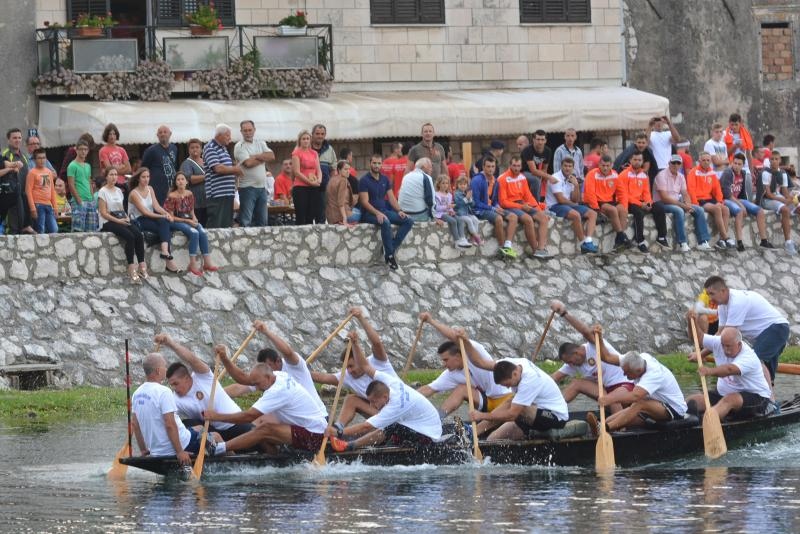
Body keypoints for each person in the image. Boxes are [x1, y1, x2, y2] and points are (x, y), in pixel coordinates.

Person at [204, 345, 340, 455]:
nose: (256, 387)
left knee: (264, 428)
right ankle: (274, 456)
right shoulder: (278, 375)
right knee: (259, 427)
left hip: (315, 435)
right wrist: (225, 358)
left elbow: (247, 416)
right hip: (302, 428)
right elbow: (244, 379)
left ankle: (218, 449)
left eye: (257, 384)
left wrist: (216, 416)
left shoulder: (277, 391)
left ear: (268, 378)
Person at [326, 329, 442, 451]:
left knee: (388, 427)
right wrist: (355, 344)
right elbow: (365, 366)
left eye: (374, 402)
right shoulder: (391, 382)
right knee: (388, 426)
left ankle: (350, 446)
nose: (372, 405)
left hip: (429, 437)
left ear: (385, 397)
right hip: (423, 425)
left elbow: (366, 426)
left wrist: (338, 432)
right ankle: (351, 441)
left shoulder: (395, 405)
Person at [459, 329, 568, 441]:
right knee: (491, 440)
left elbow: (512, 415)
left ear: (515, 373)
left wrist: (482, 416)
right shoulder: (511, 364)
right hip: (533, 413)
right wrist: (466, 341)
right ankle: (474, 432)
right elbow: (479, 362)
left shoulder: (529, 381)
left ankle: (476, 430)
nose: (507, 388)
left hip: (555, 418)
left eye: (508, 384)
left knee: (516, 406)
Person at [415, 313, 513, 436]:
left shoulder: (474, 352)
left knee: (488, 423)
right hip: (489, 401)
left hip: (506, 400)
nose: (444, 364)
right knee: (461, 389)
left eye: (446, 360)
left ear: (457, 356)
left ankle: (472, 434)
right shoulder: (451, 374)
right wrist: (405, 398)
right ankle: (434, 422)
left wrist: (431, 320)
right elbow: (429, 389)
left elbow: (456, 337)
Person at [311, 307, 397, 428]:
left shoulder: (377, 361)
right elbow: (323, 377)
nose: (349, 371)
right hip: (380, 414)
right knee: (351, 399)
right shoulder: (347, 375)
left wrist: (361, 318)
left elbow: (377, 343)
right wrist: (296, 369)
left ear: (359, 359)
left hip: (398, 412)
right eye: (347, 368)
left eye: (351, 366)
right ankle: (338, 429)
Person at [158, 333, 252, 441]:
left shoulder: (202, 376)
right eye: (171, 385)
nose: (173, 388)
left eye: (176, 383)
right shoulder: (175, 399)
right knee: (187, 423)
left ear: (187, 378)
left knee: (259, 437)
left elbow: (191, 359)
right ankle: (222, 450)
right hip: (213, 432)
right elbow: (166, 419)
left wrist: (170, 343)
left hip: (236, 424)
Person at [548, 301, 633, 413]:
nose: (570, 365)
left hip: (626, 386)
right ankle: (551, 411)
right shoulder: (572, 364)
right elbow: (553, 378)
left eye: (570, 361)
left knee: (612, 398)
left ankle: (619, 428)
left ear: (576, 353)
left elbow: (585, 332)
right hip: (607, 391)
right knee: (576, 383)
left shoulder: (594, 345)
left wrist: (564, 313)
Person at [703, 276, 790, 384]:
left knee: (752, 362)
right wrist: (702, 354)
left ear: (723, 291)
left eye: (712, 294)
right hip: (765, 334)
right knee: (763, 369)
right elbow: (720, 333)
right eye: (708, 294)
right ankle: (766, 396)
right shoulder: (722, 306)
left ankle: (767, 398)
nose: (710, 298)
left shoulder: (737, 301)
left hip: (777, 329)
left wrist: (701, 355)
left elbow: (727, 336)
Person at [131, 352, 211, 463]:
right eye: (164, 366)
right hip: (181, 445)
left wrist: (144, 450)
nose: (166, 369)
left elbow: (135, 424)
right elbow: (170, 424)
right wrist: (180, 452)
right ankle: (236, 463)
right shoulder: (164, 391)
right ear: (158, 370)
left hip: (156, 451)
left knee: (199, 427)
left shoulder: (136, 394)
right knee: (216, 436)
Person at [684, 325, 773, 420]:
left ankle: (707, 422)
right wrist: (690, 320)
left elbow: (729, 369)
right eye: (723, 345)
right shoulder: (720, 342)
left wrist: (709, 371)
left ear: (739, 344)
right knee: (694, 400)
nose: (725, 349)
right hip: (724, 394)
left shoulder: (748, 357)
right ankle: (681, 419)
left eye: (728, 346)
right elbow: (699, 338)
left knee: (731, 399)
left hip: (757, 399)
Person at [592, 346, 688, 433]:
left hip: (675, 410)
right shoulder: (638, 359)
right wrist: (599, 336)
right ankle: (601, 424)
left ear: (638, 370)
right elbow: (607, 357)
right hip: (658, 404)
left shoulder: (653, 374)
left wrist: (610, 399)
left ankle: (605, 429)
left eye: (627, 372)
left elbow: (635, 396)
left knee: (639, 403)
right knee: (632, 408)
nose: (624, 375)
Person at [359, 153, 413, 270]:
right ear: (370, 163)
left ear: (382, 164)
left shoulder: (385, 179)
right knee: (386, 222)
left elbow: (391, 197)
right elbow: (364, 202)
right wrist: (377, 213)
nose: (376, 165)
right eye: (374, 163)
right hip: (369, 214)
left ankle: (390, 247)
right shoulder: (364, 180)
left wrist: (399, 210)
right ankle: (389, 256)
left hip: (384, 211)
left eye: (379, 163)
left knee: (408, 221)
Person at [652, 154, 713, 252]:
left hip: (676, 202)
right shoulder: (661, 175)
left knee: (699, 209)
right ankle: (682, 243)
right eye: (673, 163)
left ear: (681, 165)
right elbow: (664, 198)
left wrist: (688, 204)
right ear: (669, 163)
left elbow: (685, 193)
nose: (676, 165)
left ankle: (702, 241)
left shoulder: (681, 176)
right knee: (679, 210)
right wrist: (683, 205)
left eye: (678, 163)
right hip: (662, 203)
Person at [96, 167, 147, 283]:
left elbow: (121, 209)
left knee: (138, 234)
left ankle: (142, 265)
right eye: (111, 175)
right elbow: (103, 213)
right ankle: (131, 268)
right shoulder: (102, 192)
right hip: (107, 221)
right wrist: (119, 221)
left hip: (120, 218)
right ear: (106, 177)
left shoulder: (119, 191)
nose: (114, 177)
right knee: (129, 236)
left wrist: (126, 217)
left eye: (115, 174)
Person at [127, 168, 181, 273]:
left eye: (148, 177)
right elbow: (145, 212)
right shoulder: (134, 193)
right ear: (138, 178)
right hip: (138, 219)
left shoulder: (150, 189)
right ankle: (168, 261)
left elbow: (156, 206)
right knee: (165, 227)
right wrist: (163, 217)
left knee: (165, 223)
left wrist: (166, 214)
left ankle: (165, 252)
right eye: (143, 177)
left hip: (150, 217)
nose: (146, 179)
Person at [163, 172, 218, 276]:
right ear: (175, 182)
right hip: (176, 221)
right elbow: (171, 217)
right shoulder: (172, 196)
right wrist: (188, 221)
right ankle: (192, 263)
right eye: (178, 179)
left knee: (201, 231)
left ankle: (207, 262)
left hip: (188, 219)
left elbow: (191, 211)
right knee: (194, 233)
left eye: (182, 179)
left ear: (186, 182)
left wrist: (194, 219)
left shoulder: (189, 193)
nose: (180, 181)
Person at [497, 156, 552, 258]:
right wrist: (521, 207)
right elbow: (503, 202)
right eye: (514, 166)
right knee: (528, 220)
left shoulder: (522, 177)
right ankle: (535, 250)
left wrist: (539, 209)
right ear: (509, 166)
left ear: (521, 166)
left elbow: (528, 196)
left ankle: (541, 249)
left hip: (523, 204)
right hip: (510, 205)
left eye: (518, 166)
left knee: (543, 218)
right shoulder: (502, 179)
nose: (516, 168)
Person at [720, 153, 774, 251]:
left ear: (743, 165)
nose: (736, 166)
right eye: (735, 163)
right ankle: (740, 242)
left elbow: (742, 194)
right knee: (739, 211)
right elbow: (727, 195)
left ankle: (764, 240)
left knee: (759, 211)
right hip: (726, 200)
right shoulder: (727, 173)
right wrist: (741, 205)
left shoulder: (744, 174)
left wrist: (745, 204)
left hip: (737, 199)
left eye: (739, 164)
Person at [545, 157, 599, 253]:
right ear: (561, 166)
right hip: (555, 206)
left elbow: (576, 199)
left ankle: (588, 241)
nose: (567, 168)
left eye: (570, 166)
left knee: (593, 214)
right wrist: (574, 204)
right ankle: (583, 244)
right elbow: (561, 200)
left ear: (573, 168)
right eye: (565, 166)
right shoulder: (556, 178)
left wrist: (576, 185)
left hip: (567, 204)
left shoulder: (571, 178)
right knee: (576, 215)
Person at [471, 156, 518, 257]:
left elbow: (495, 201)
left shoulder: (495, 181)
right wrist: (493, 208)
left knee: (513, 217)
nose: (491, 169)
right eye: (488, 166)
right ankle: (502, 248)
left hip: (491, 208)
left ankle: (507, 246)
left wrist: (497, 206)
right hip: (479, 210)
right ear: (483, 167)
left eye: (493, 166)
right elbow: (475, 203)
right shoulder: (476, 180)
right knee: (499, 218)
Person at [583, 154, 631, 251]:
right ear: (599, 165)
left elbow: (622, 193)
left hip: (610, 201)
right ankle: (621, 236)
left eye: (607, 166)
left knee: (622, 210)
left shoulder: (614, 174)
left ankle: (619, 240)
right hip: (598, 202)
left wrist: (624, 206)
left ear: (611, 165)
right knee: (613, 210)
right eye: (603, 165)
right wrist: (596, 208)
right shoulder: (592, 174)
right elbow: (590, 193)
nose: (605, 168)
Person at [619, 151, 663, 253]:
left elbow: (646, 192)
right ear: (630, 160)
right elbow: (624, 195)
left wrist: (648, 203)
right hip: (628, 202)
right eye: (635, 160)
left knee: (659, 208)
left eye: (639, 160)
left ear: (642, 161)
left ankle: (662, 237)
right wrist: (641, 204)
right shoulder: (624, 175)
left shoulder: (644, 175)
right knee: (638, 212)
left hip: (641, 202)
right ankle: (640, 241)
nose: (637, 162)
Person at [686, 152, 733, 249]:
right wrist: (695, 204)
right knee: (717, 209)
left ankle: (721, 240)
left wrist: (720, 201)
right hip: (700, 200)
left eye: (708, 160)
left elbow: (717, 189)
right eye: (704, 160)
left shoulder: (711, 172)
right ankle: (725, 237)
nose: (706, 162)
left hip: (710, 199)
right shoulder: (693, 172)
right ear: (699, 161)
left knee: (726, 209)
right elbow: (691, 190)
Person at [233, 120, 274, 227]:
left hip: (262, 188)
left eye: (250, 130)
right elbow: (248, 163)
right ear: (241, 131)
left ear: (254, 130)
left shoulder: (261, 142)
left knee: (263, 221)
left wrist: (255, 156)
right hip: (247, 188)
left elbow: (272, 156)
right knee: (246, 221)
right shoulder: (239, 146)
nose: (248, 132)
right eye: (245, 130)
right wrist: (263, 157)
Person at [203, 124, 242, 229]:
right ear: (219, 135)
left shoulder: (223, 148)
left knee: (225, 225)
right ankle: (210, 245)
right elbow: (218, 168)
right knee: (216, 225)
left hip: (227, 193)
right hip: (217, 194)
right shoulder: (210, 147)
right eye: (227, 135)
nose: (230, 138)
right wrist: (236, 169)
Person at [760, 150, 797, 255]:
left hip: (778, 197)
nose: (774, 161)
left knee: (798, 207)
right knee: (785, 209)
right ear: (769, 160)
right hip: (767, 200)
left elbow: (784, 191)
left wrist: (792, 198)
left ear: (780, 160)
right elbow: (768, 194)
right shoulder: (765, 173)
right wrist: (785, 201)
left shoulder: (783, 173)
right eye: (772, 159)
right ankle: (788, 243)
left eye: (776, 159)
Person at [2, 128, 34, 235]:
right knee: (13, 226)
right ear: (8, 140)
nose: (17, 140)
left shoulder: (24, 156)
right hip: (10, 194)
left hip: (24, 194)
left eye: (19, 138)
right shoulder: (5, 154)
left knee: (22, 225)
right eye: (14, 138)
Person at [291, 130, 323, 225]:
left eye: (307, 139)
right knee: (301, 215)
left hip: (313, 186)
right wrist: (310, 182)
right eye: (303, 139)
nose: (305, 141)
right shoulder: (296, 153)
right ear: (300, 140)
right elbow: (296, 172)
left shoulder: (314, 153)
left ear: (310, 140)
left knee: (311, 215)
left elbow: (318, 170)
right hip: (300, 187)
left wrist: (319, 180)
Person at [141, 125, 178, 205]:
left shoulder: (174, 148)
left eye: (165, 132)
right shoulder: (151, 150)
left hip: (172, 187)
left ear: (170, 134)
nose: (163, 134)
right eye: (160, 132)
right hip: (157, 189)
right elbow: (143, 168)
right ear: (157, 135)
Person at [67, 139, 98, 233]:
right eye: (81, 149)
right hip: (78, 201)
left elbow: (89, 182)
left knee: (91, 231)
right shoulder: (72, 165)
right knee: (78, 231)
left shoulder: (88, 166)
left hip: (90, 201)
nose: (83, 151)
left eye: (85, 149)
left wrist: (92, 198)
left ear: (88, 151)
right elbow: (71, 185)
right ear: (76, 150)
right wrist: (79, 200)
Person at [25, 148, 58, 235]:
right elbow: (28, 191)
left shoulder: (49, 172)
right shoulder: (32, 172)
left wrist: (55, 207)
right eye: (39, 158)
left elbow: (52, 190)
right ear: (35, 160)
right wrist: (32, 208)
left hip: (48, 204)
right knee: (41, 230)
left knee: (54, 229)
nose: (42, 160)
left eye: (44, 158)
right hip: (38, 205)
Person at [433, 174, 470, 248]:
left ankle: (462, 239)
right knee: (453, 221)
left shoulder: (449, 195)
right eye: (443, 183)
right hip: (440, 214)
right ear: (439, 184)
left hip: (448, 213)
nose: (445, 185)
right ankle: (457, 241)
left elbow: (450, 207)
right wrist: (447, 207)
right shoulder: (436, 194)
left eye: (446, 183)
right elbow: (436, 207)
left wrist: (451, 210)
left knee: (459, 220)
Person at [521, 129, 557, 201]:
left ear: (545, 141)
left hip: (537, 172)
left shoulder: (548, 151)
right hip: (523, 172)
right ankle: (535, 204)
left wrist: (545, 177)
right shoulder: (527, 150)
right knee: (536, 180)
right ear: (534, 140)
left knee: (548, 180)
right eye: (538, 139)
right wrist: (549, 177)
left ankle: (546, 202)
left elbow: (545, 169)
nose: (540, 142)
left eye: (542, 139)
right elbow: (533, 171)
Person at [398, 157, 436, 223]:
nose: (431, 169)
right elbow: (430, 200)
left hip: (403, 213)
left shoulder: (406, 176)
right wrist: (433, 217)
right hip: (417, 214)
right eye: (430, 167)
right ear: (424, 166)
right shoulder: (426, 177)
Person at [180, 138, 207, 226]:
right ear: (188, 150)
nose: (195, 149)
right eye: (192, 147)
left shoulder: (205, 161)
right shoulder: (187, 163)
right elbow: (189, 179)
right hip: (195, 202)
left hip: (207, 200)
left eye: (197, 147)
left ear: (201, 149)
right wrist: (206, 177)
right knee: (197, 225)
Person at [325, 160, 359, 225]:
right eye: (345, 169)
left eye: (349, 169)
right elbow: (341, 203)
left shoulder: (332, 179)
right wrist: (344, 218)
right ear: (339, 170)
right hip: (340, 216)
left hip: (330, 216)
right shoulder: (343, 180)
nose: (348, 171)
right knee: (360, 212)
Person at [453, 175, 483, 245]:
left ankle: (472, 238)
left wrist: (470, 199)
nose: (463, 186)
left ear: (467, 185)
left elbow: (473, 205)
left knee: (475, 219)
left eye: (464, 184)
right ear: (457, 185)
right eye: (460, 184)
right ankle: (477, 237)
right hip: (460, 214)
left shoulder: (467, 193)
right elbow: (458, 204)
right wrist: (466, 198)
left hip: (467, 213)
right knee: (469, 221)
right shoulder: (456, 194)